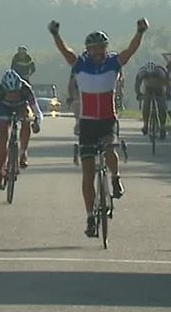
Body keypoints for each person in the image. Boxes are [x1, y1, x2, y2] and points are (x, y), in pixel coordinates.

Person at [48, 18, 148, 237]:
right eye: (94, 49)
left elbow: (130, 51)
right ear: (88, 50)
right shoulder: (80, 64)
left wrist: (140, 31)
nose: (98, 52)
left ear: (106, 49)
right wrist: (55, 35)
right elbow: (66, 52)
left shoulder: (113, 63)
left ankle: (115, 177)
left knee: (110, 148)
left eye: (101, 48)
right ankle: (90, 217)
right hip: (87, 122)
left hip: (107, 119)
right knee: (87, 174)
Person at [0, 69, 43, 189]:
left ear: (19, 88)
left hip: (22, 106)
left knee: (27, 119)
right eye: (9, 93)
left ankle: (23, 153)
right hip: (4, 108)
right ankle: (0, 171)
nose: (13, 96)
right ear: (4, 90)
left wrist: (37, 122)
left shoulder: (26, 89)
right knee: (2, 136)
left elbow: (37, 111)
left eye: (15, 92)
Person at [135, 61, 169, 139]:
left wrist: (167, 93)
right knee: (146, 105)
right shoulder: (142, 72)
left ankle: (162, 126)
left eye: (153, 75)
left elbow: (167, 83)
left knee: (161, 107)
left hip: (159, 89)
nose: (150, 76)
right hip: (148, 89)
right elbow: (137, 83)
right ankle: (146, 124)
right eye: (148, 76)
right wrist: (138, 93)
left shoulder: (160, 72)